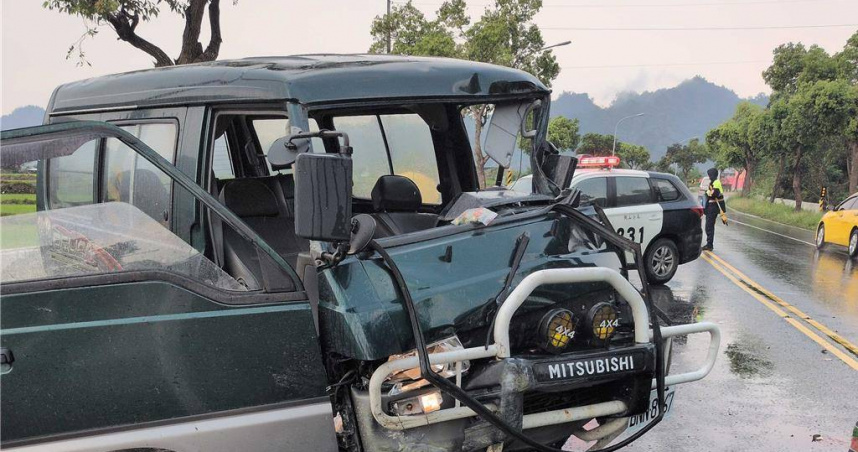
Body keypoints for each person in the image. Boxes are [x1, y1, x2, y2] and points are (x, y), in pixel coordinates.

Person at [703, 167, 726, 251]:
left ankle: (709, 245)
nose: (709, 176)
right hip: (710, 207)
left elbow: (713, 194)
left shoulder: (716, 183)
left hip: (713, 207)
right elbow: (708, 194)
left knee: (709, 226)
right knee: (708, 226)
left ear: (713, 175)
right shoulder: (712, 182)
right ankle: (709, 244)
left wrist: (708, 193)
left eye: (709, 175)